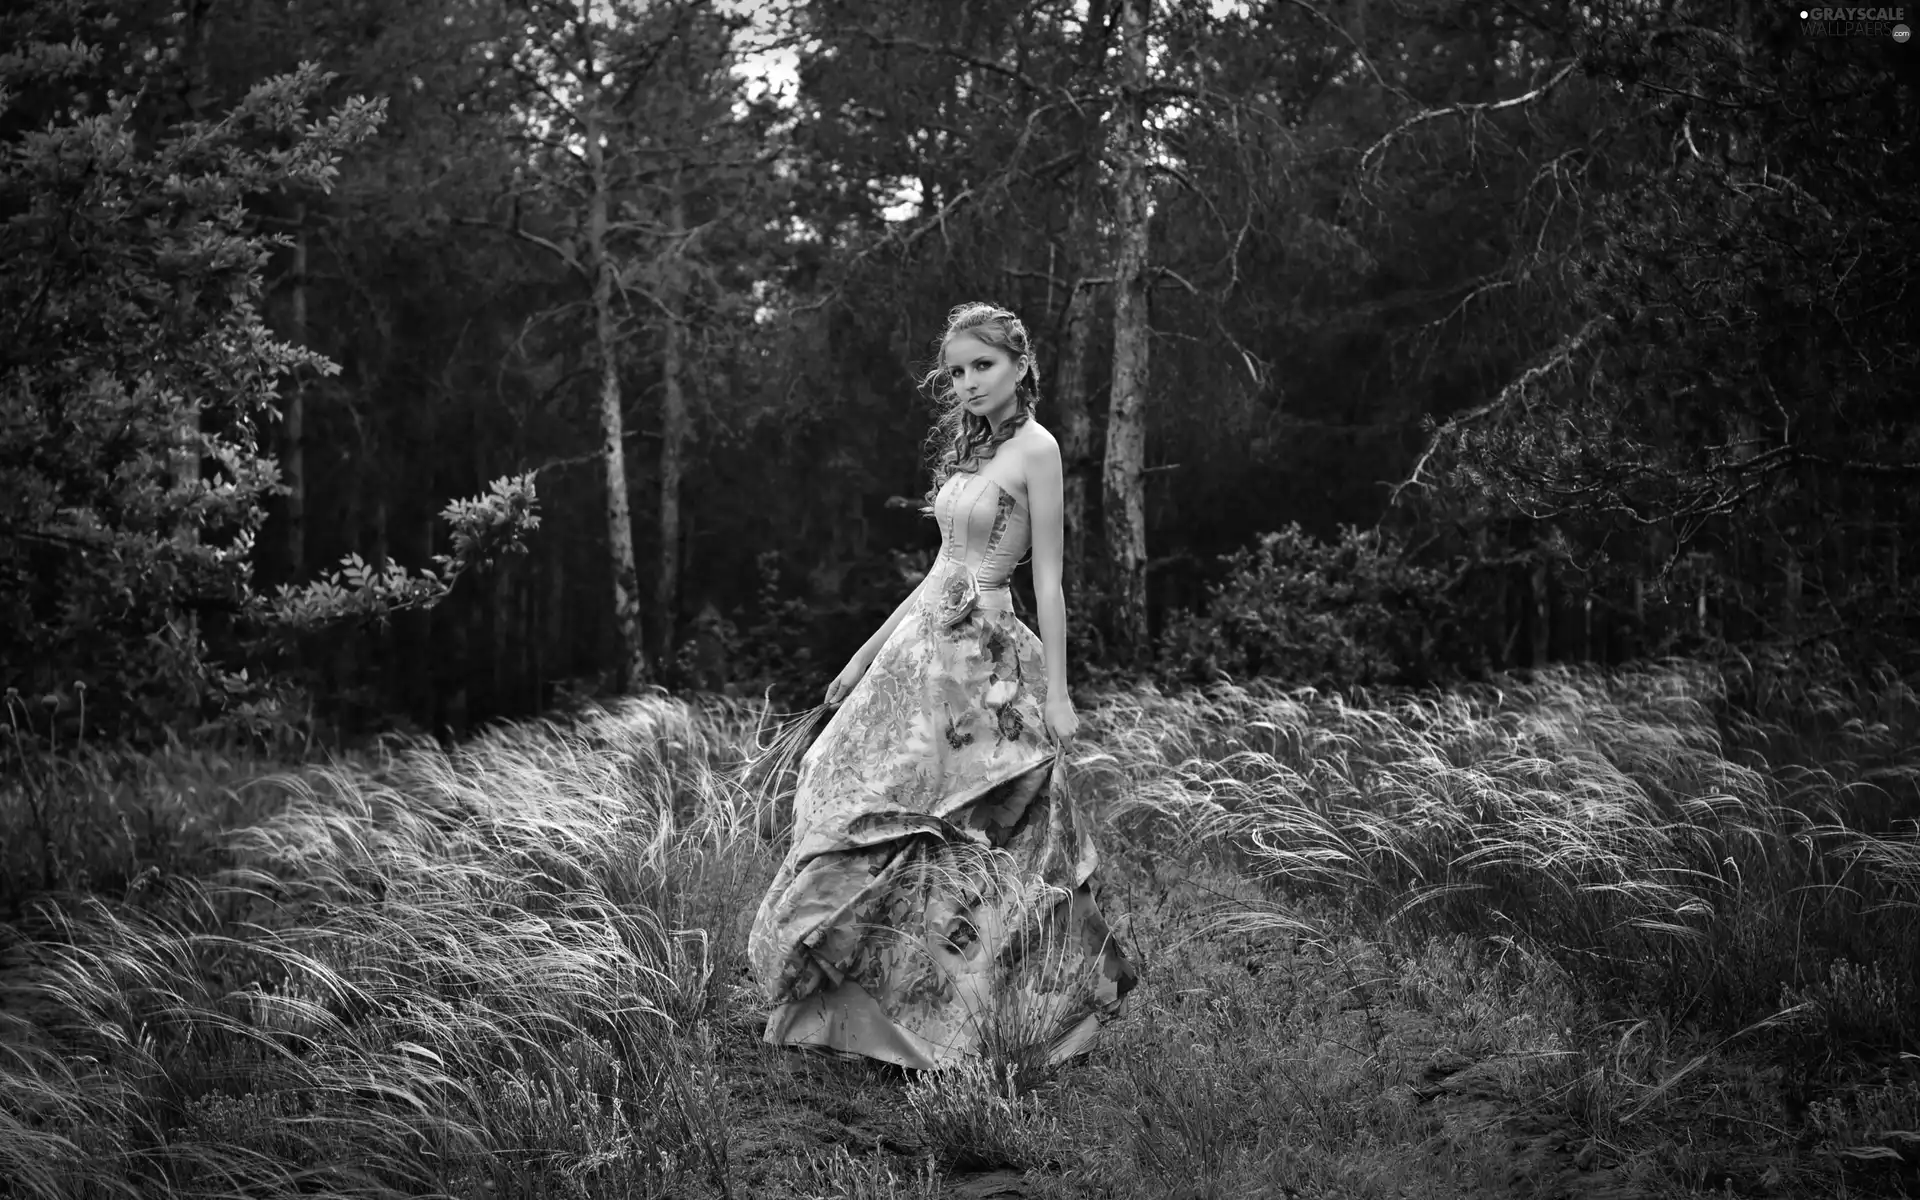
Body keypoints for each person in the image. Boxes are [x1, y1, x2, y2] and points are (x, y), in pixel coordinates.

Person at [746, 302, 1136, 1069]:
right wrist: (861, 659)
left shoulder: (1038, 450)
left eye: (982, 366)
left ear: (1022, 366)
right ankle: (850, 1013)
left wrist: (1059, 691)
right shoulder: (972, 450)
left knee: (979, 835)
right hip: (922, 663)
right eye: (956, 371)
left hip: (985, 668)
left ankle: (989, 1023)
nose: (967, 383)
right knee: (861, 801)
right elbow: (937, 575)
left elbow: (1050, 581)